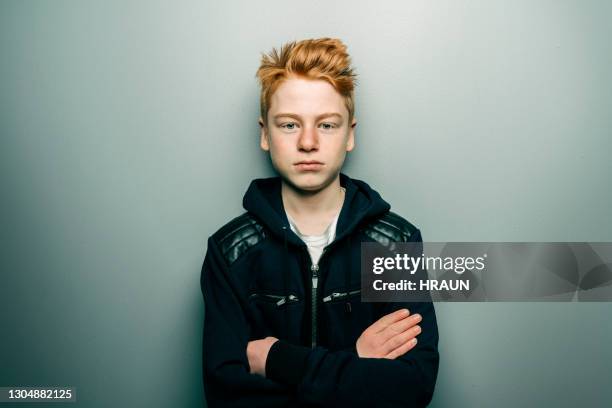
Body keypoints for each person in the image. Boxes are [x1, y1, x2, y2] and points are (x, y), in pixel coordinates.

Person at [200, 37, 439, 407]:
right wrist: (355, 360)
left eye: (326, 125)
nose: (308, 142)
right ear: (265, 134)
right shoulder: (230, 251)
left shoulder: (397, 242)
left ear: (350, 134)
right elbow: (228, 396)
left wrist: (281, 360)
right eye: (290, 125)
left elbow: (412, 387)